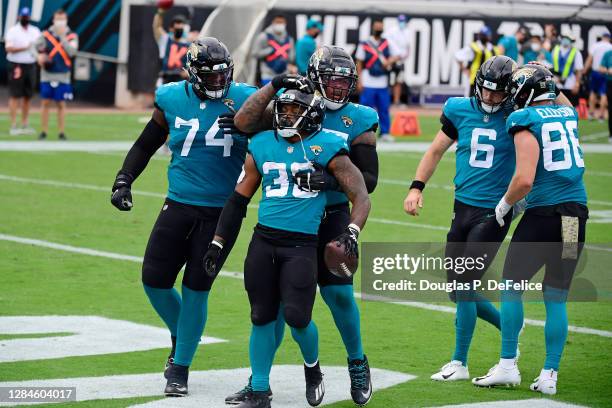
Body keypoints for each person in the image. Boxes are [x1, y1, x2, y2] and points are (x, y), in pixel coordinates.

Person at [224, 46, 379, 406]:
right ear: (313, 78)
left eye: (344, 82)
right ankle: (259, 381)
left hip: (332, 215)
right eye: (331, 80)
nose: (338, 89)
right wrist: (274, 85)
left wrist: (327, 181)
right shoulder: (294, 102)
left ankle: (357, 361)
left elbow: (367, 180)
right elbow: (245, 123)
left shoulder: (359, 117)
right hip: (288, 218)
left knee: (338, 293)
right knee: (272, 303)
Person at [109, 38, 257, 397]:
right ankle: (184, 334)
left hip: (223, 212)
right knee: (154, 280)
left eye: (223, 74)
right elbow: (146, 143)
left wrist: (247, 127)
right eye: (209, 75)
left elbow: (276, 138)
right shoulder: (172, 97)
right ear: (192, 74)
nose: (218, 81)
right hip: (178, 203)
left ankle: (180, 367)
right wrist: (124, 179)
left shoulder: (248, 99)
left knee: (195, 289)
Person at [473, 64, 588, 396]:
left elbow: (524, 179)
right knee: (556, 297)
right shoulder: (568, 116)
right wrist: (546, 77)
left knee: (510, 286)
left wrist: (504, 205)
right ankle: (550, 374)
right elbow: (559, 100)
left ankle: (508, 365)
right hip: (573, 218)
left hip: (543, 217)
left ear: (526, 93)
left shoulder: (524, 119)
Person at [404, 56, 519, 382]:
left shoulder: (518, 115)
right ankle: (509, 324)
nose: (491, 98)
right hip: (462, 206)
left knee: (466, 285)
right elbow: (436, 150)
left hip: (494, 211)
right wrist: (416, 187)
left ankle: (459, 361)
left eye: (499, 93)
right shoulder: (460, 108)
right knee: (457, 289)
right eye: (487, 90)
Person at [33, 9, 78, 141]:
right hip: (47, 74)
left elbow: (72, 52)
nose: (60, 22)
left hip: (63, 74)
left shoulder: (71, 36)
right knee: (45, 102)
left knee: (61, 104)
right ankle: (44, 131)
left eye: (62, 19)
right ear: (53, 20)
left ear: (66, 20)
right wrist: (38, 57)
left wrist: (63, 38)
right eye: (58, 19)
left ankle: (61, 132)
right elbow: (33, 48)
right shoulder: (45, 34)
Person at [356, 19, 400, 142]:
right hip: (368, 80)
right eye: (377, 27)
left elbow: (398, 54)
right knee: (366, 109)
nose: (379, 30)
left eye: (381, 27)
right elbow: (359, 62)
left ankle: (385, 132)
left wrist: (388, 61)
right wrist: (360, 81)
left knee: (384, 108)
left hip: (382, 81)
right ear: (372, 28)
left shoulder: (387, 42)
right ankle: (363, 131)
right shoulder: (365, 43)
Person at [4, 7, 40, 136]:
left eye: (27, 16)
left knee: (27, 96)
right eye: (23, 16)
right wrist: (25, 47)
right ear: (19, 17)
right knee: (15, 95)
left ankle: (25, 123)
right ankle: (13, 125)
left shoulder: (35, 31)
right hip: (17, 65)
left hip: (30, 65)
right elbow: (8, 48)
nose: (25, 18)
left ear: (29, 17)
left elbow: (40, 47)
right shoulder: (13, 31)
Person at [253, 14, 296, 86]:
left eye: (282, 23)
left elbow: (291, 57)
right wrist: (269, 51)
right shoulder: (263, 36)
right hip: (268, 74)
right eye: (278, 22)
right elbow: (255, 53)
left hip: (284, 75)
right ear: (273, 22)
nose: (280, 25)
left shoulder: (289, 39)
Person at [455, 26, 497, 97]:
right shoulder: (474, 47)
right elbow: (458, 56)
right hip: (474, 80)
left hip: (488, 82)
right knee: (471, 100)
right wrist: (463, 68)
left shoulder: (492, 48)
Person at [153, 9, 190, 84]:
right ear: (171, 28)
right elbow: (157, 26)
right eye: (177, 24)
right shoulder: (165, 39)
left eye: (181, 24)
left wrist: (188, 72)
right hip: (165, 78)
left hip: (180, 81)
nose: (179, 27)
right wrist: (160, 13)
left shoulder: (188, 44)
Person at [585, 32, 612, 121]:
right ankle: (601, 115)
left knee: (593, 92)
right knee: (603, 94)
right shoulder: (610, 47)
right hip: (606, 73)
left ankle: (591, 113)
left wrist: (585, 70)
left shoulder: (595, 45)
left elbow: (590, 59)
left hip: (596, 71)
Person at [384, 14, 410, 106]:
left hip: (401, 61)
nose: (402, 23)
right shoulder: (392, 31)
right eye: (400, 21)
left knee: (399, 81)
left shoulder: (407, 32)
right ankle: (387, 100)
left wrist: (405, 55)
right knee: (390, 81)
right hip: (392, 59)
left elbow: (407, 46)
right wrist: (393, 56)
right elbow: (387, 43)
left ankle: (396, 100)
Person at [551, 34, 583, 106]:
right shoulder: (555, 50)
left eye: (568, 38)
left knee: (569, 105)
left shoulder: (576, 52)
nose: (565, 40)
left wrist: (577, 84)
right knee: (555, 105)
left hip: (569, 82)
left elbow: (579, 70)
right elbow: (551, 65)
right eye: (564, 38)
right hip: (556, 81)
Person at [600, 47, 612, 141]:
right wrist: (608, 70)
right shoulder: (608, 54)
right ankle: (611, 134)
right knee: (611, 108)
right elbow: (601, 67)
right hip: (610, 83)